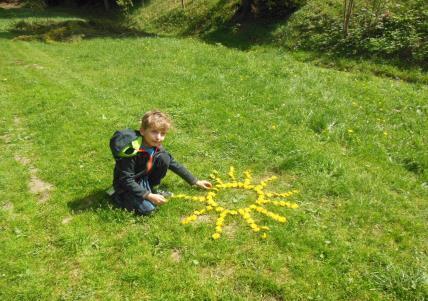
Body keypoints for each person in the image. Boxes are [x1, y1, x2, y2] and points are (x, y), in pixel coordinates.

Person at [111, 110, 212, 215]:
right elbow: (126, 179)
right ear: (142, 131)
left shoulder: (156, 146)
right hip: (125, 184)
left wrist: (195, 181)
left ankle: (149, 187)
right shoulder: (131, 150)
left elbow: (173, 163)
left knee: (164, 158)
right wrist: (148, 195)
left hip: (142, 177)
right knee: (148, 210)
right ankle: (118, 197)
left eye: (162, 133)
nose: (158, 137)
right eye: (154, 132)